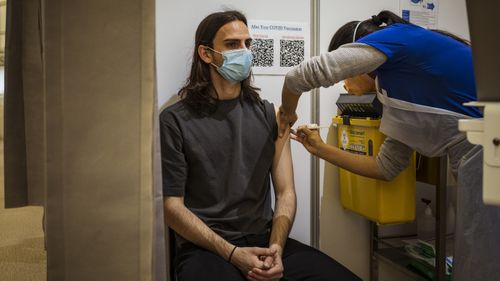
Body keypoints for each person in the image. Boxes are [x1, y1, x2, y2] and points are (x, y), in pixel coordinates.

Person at [160, 10, 361, 281]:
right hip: (206, 248)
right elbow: (172, 208)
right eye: (232, 44)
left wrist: (276, 247)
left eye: (248, 44)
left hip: (266, 240)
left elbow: (286, 192)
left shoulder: (272, 115)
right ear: (206, 54)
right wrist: (232, 253)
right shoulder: (175, 120)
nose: (244, 52)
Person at [278, 10, 481, 182]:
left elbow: (297, 77)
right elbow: (386, 167)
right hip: (473, 153)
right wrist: (320, 148)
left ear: (359, 63)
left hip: (487, 141)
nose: (344, 84)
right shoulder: (396, 89)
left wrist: (288, 113)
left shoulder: (395, 40)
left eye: (346, 74)